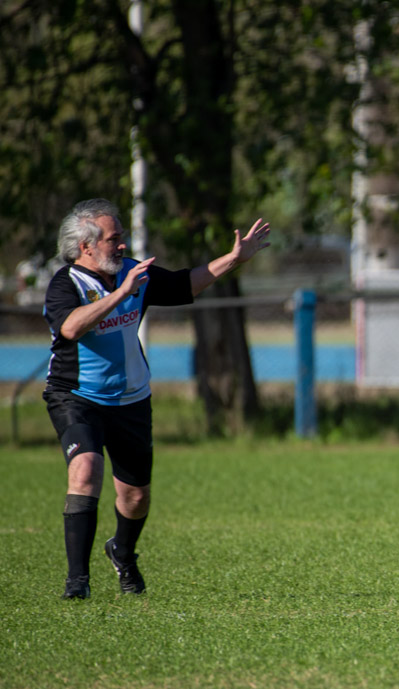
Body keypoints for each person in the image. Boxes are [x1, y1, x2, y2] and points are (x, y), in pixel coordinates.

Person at [45, 199, 271, 599]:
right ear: (86, 246)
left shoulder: (135, 272)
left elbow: (187, 283)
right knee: (85, 471)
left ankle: (123, 552)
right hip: (77, 395)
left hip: (131, 398)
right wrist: (121, 294)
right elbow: (70, 328)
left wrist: (235, 259)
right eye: (114, 239)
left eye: (121, 238)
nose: (122, 245)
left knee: (134, 496)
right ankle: (76, 583)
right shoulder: (67, 283)